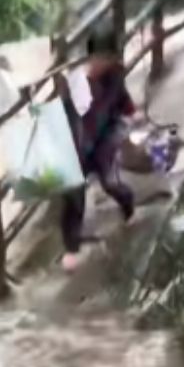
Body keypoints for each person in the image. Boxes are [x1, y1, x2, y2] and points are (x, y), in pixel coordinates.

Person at [60, 28, 138, 272]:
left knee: (110, 181)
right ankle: (71, 247)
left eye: (106, 58)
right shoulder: (79, 82)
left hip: (107, 133)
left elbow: (118, 108)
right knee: (73, 191)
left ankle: (128, 206)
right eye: (97, 58)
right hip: (84, 138)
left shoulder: (114, 77)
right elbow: (68, 112)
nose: (100, 63)